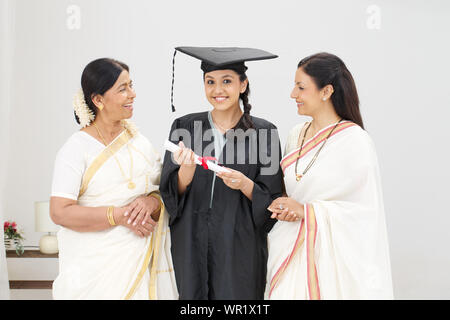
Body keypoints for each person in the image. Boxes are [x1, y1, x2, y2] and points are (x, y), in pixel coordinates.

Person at [265, 52, 393, 300]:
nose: (293, 95)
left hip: (332, 262)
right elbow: (291, 190)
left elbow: (365, 214)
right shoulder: (296, 134)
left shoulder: (355, 141)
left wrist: (307, 212)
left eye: (301, 87)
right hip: (289, 250)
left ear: (326, 92)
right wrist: (285, 205)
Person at [160, 47, 284, 299]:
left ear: (243, 84)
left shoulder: (265, 133)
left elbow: (273, 201)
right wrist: (186, 169)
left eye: (227, 81)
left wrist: (245, 184)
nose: (217, 90)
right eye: (210, 82)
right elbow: (172, 194)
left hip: (240, 245)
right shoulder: (184, 127)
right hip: (191, 242)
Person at [50, 58, 177, 299]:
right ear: (98, 100)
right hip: (93, 272)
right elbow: (60, 212)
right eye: (123, 88)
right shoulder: (76, 149)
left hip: (140, 260)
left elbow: (163, 191)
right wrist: (119, 216)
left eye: (131, 85)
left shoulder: (140, 144)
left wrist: (151, 203)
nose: (133, 94)